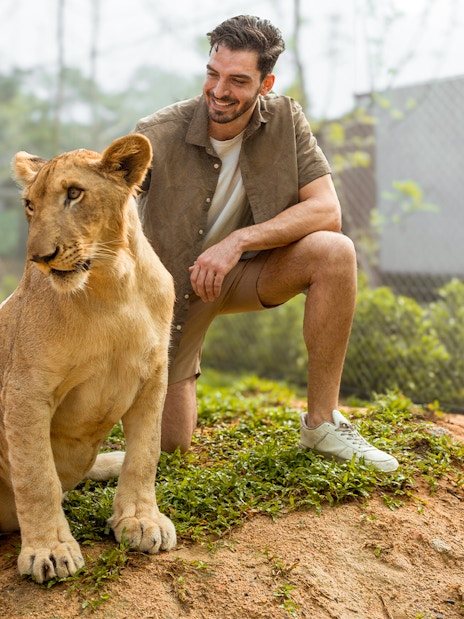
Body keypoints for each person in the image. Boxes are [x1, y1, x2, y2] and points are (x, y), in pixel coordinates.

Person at [135, 14, 399, 472]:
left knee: (335, 251)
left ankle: (322, 424)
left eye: (237, 80)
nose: (219, 91)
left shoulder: (286, 119)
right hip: (172, 290)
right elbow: (107, 210)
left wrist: (237, 241)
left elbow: (326, 211)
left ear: (265, 82)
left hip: (245, 272)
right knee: (170, 448)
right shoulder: (156, 132)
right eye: (212, 74)